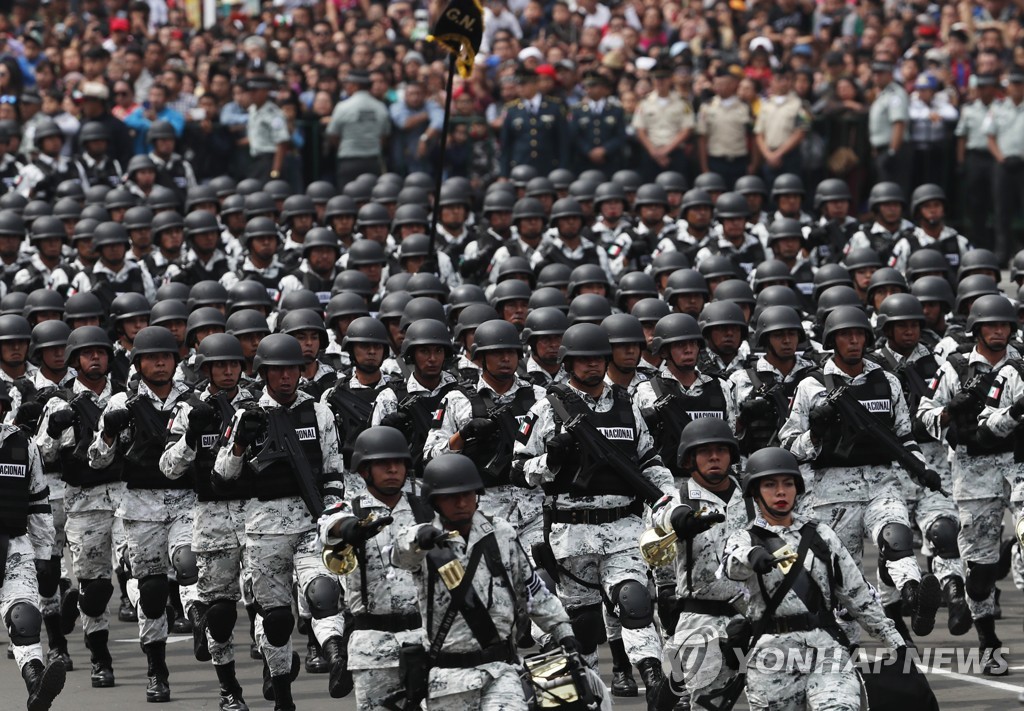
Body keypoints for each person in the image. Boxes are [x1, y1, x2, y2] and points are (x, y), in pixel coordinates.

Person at [512, 323, 671, 710]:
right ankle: (577, 697)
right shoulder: (547, 408)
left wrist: (669, 502)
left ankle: (653, 681)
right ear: (567, 363)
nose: (593, 365)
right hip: (571, 532)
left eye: (598, 358)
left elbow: (648, 459)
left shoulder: (626, 402)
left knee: (634, 602)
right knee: (580, 626)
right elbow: (518, 470)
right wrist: (552, 459)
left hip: (623, 527)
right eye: (583, 360)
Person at [391, 454, 593, 710]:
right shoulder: (423, 544)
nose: (462, 502)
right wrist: (418, 538)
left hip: (501, 672)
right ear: (435, 500)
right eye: (452, 497)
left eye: (468, 494)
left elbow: (532, 591)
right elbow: (400, 555)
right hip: (448, 678)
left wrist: (563, 632)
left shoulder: (502, 534)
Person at [214, 333, 345, 711]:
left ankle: (336, 655)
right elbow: (223, 473)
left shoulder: (319, 411)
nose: (286, 377)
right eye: (278, 371)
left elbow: (334, 469)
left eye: (292, 370)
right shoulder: (246, 413)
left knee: (323, 591)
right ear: (265, 373)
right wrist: (240, 442)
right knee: (275, 620)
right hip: (263, 528)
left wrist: (331, 514)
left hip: (310, 522)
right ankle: (283, 695)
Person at [723, 447, 907, 711]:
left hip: (826, 646)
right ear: (754, 491)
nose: (780, 492)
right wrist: (752, 557)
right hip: (773, 653)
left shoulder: (821, 534)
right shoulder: (746, 538)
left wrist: (894, 641)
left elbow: (857, 596)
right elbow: (731, 566)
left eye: (788, 484)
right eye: (770, 485)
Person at [88, 326, 196, 703]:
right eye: (152, 357)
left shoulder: (191, 402)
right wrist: (108, 434)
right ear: (138, 363)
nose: (161, 363)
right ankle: (156, 669)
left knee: (188, 562)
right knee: (150, 593)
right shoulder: (123, 402)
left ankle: (199, 617)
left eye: (166, 356)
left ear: (175, 361)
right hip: (140, 507)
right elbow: (96, 459)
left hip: (185, 502)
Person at [917, 295, 1021, 673]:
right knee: (979, 572)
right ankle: (987, 637)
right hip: (973, 470)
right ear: (976, 329)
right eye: (991, 326)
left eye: (1005, 325)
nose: (999, 332)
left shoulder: (1021, 362)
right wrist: (948, 411)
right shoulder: (954, 368)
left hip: (1019, 463)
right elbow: (924, 414)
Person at [158, 333, 255, 710]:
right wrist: (191, 438)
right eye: (220, 365)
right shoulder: (188, 408)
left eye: (234, 364)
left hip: (257, 511)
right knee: (219, 611)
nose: (228, 371)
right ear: (207, 369)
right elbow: (168, 468)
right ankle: (228, 687)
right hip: (210, 514)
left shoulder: (258, 402)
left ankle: (274, 671)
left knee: (265, 602)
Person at [35, 326, 123, 689]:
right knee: (94, 582)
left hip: (126, 495)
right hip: (82, 501)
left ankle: (83, 603)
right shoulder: (62, 402)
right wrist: (54, 430)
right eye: (88, 354)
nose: (96, 358)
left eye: (101, 352)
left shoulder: (126, 398)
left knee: (132, 567)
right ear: (76, 361)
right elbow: (42, 453)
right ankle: (100, 659)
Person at [316, 426, 427, 709]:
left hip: (423, 636)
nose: (393, 469)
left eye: (399, 463)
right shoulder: (349, 509)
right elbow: (328, 527)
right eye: (383, 464)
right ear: (364, 471)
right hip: (372, 643)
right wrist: (351, 527)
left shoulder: (425, 509)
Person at [647, 418, 750, 710]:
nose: (714, 457)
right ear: (689, 458)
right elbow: (661, 516)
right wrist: (680, 520)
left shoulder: (753, 497)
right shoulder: (678, 498)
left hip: (754, 616)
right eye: (705, 451)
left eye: (721, 450)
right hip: (702, 618)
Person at [0, 381, 68, 711]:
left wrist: (44, 555)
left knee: (25, 616)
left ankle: (37, 683)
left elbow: (39, 503)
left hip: (12, 544)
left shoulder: (21, 443)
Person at [955, 73, 999, 251]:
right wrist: (961, 161)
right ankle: (977, 242)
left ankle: (996, 243)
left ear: (993, 89)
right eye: (979, 87)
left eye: (986, 87)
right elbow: (961, 137)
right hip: (975, 157)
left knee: (997, 202)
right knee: (976, 203)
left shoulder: (1001, 108)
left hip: (995, 158)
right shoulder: (969, 109)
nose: (982, 91)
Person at [499, 67, 569, 178]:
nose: (520, 88)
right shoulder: (512, 110)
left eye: (524, 84)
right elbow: (506, 145)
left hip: (548, 166)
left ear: (535, 84)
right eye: (518, 85)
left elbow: (563, 142)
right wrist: (503, 174)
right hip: (520, 166)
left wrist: (563, 168)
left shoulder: (554, 107)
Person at [325, 70, 390, 187]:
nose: (346, 87)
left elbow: (333, 134)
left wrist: (344, 145)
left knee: (348, 201)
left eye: (347, 83)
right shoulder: (380, 107)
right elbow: (384, 136)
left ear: (355, 85)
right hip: (373, 160)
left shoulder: (343, 107)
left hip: (349, 160)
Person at [868, 60, 911, 198]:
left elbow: (898, 123)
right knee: (883, 191)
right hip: (882, 149)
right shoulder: (882, 94)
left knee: (893, 192)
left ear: (890, 75)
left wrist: (892, 151)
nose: (877, 77)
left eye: (881, 73)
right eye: (875, 73)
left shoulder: (895, 94)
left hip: (894, 150)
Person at [572, 72, 626, 178]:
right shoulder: (578, 110)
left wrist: (604, 150)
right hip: (585, 160)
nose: (588, 89)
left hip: (610, 160)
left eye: (593, 86)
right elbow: (575, 135)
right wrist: (588, 151)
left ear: (603, 88)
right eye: (586, 86)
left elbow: (620, 135)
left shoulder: (616, 110)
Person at [245, 75, 290, 183]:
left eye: (255, 91)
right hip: (255, 160)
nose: (251, 94)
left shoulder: (274, 113)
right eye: (249, 90)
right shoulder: (252, 110)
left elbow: (282, 143)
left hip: (269, 161)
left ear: (265, 92)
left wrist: (275, 171)